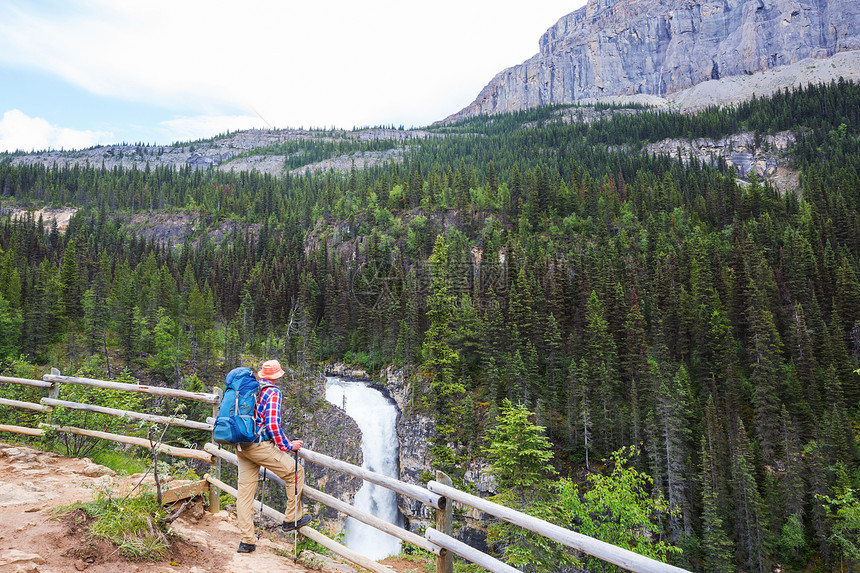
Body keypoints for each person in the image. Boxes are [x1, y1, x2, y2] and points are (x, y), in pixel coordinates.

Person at [236, 359, 311, 553]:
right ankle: (291, 519)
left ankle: (246, 542)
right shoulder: (273, 392)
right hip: (259, 446)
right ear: (277, 376)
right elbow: (273, 425)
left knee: (244, 494)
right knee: (296, 471)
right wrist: (287, 445)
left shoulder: (250, 388)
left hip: (242, 445)